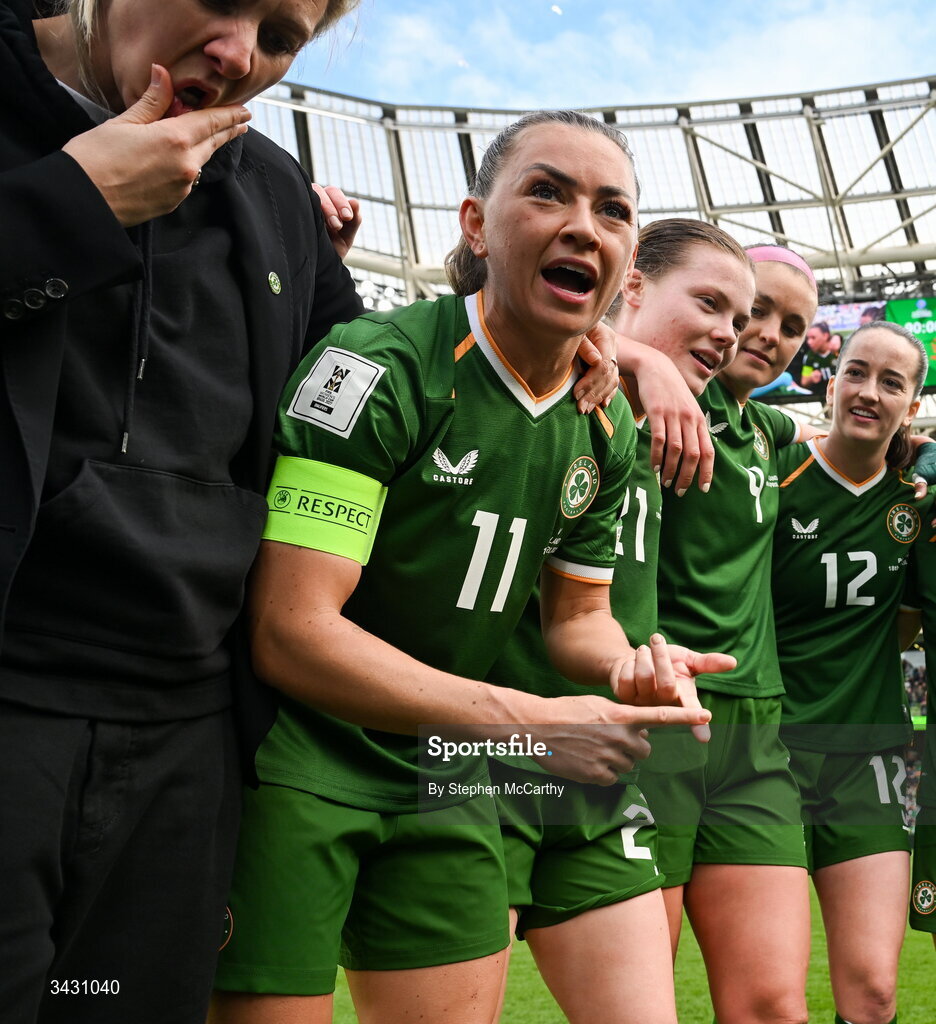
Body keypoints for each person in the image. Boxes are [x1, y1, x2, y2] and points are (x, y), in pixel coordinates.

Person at [210, 110, 718, 1024]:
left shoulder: (605, 428)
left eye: (612, 210)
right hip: (294, 764)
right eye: (546, 192)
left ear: (627, 254)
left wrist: (628, 664)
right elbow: (292, 633)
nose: (581, 225)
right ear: (476, 224)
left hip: (447, 773)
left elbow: (575, 622)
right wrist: (530, 725)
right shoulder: (378, 367)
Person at [0, 2, 372, 1022]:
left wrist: (590, 341)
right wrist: (70, 203)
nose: (240, 51)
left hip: (181, 742)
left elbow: (376, 381)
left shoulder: (273, 190)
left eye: (284, 33)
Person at [485, 217, 754, 1024]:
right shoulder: (533, 379)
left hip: (597, 770)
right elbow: (479, 302)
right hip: (474, 760)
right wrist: (627, 350)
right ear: (630, 281)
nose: (728, 334)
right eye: (709, 302)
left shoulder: (664, 433)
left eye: (737, 319)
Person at [639, 244, 821, 1024]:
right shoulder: (651, 394)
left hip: (757, 737)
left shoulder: (768, 432)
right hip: (654, 725)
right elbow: (556, 335)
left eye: (788, 325)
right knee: (641, 1002)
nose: (764, 333)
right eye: (748, 312)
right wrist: (640, 360)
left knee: (776, 1006)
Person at [773, 321, 931, 1024]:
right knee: (770, 997)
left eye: (891, 382)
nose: (869, 392)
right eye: (858, 372)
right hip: (765, 757)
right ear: (832, 382)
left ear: (913, 405)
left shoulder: (917, 503)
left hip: (867, 757)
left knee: (872, 993)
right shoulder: (775, 480)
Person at [800, 320, 841, 392]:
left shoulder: (838, 350)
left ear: (825, 336)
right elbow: (804, 381)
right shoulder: (809, 356)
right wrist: (811, 378)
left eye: (813, 338)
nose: (809, 342)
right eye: (808, 338)